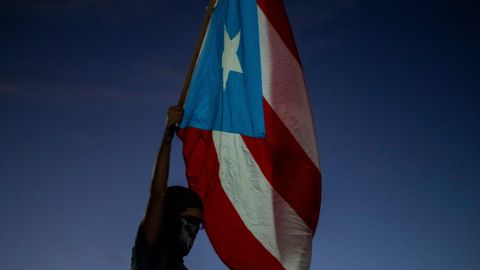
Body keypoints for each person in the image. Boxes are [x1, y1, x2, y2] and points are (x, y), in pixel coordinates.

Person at [131, 106, 204, 270]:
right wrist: (167, 137)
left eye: (197, 224)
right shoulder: (150, 254)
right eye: (189, 221)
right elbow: (158, 194)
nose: (193, 230)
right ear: (170, 216)